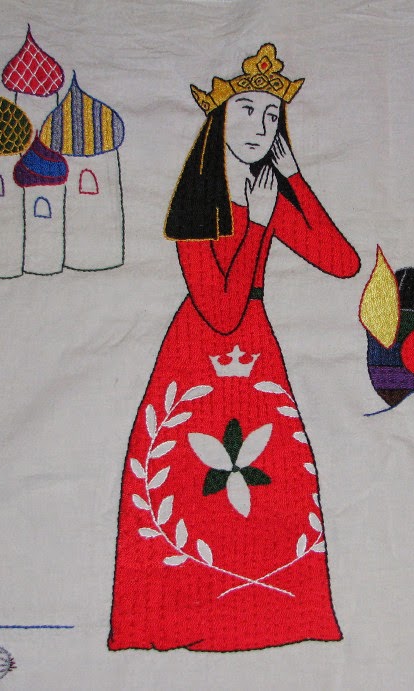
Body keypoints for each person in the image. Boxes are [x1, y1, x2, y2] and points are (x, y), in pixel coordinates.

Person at [109, 44, 360, 652]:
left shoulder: (264, 190)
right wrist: (258, 223)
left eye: (272, 116)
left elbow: (342, 262)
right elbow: (220, 312)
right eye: (247, 109)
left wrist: (294, 177)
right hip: (200, 349)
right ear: (218, 119)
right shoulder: (199, 205)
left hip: (256, 347)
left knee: (274, 479)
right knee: (192, 481)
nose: (260, 126)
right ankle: (178, 618)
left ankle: (279, 615)